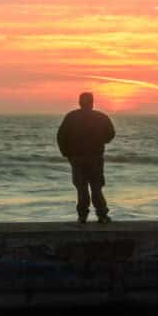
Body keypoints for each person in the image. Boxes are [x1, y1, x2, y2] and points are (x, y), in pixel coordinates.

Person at [56, 92, 116, 224]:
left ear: (80, 102)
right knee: (96, 187)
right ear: (92, 102)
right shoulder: (101, 117)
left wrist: (67, 153)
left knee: (82, 188)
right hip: (95, 157)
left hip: (77, 158)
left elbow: (61, 136)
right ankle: (102, 215)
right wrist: (100, 140)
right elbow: (111, 134)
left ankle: (82, 216)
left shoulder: (71, 117)